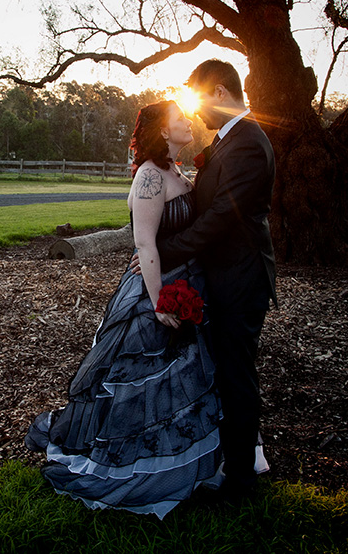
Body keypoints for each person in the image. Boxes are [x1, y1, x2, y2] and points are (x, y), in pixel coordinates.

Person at [25, 101, 223, 518]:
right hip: (156, 290)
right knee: (142, 379)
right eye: (180, 119)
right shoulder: (151, 176)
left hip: (189, 284)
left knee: (184, 380)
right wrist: (159, 303)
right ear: (163, 132)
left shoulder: (174, 171)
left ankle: (188, 457)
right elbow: (145, 244)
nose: (188, 121)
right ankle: (137, 464)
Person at [148, 60, 276, 506]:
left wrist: (163, 253)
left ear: (219, 92)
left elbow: (222, 217)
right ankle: (228, 459)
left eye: (200, 101)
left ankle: (241, 481)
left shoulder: (247, 145)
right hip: (222, 275)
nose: (197, 114)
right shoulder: (230, 141)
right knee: (223, 370)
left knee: (236, 374)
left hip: (240, 279)